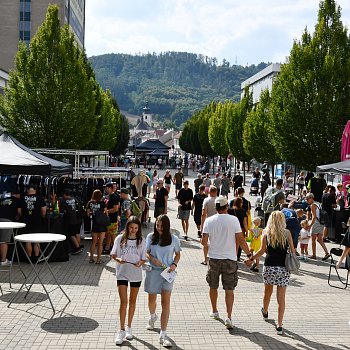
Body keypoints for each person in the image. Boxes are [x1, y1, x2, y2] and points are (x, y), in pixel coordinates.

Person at [201, 196, 252, 329]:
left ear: (216, 208)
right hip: (230, 258)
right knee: (229, 289)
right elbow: (241, 239)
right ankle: (228, 317)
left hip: (214, 258)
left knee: (213, 286)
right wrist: (249, 255)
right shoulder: (233, 220)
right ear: (226, 207)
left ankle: (214, 310)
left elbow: (203, 242)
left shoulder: (209, 221)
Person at [246, 211, 295, 335]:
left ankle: (265, 311)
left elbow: (261, 251)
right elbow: (293, 251)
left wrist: (251, 259)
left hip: (269, 267)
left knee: (267, 293)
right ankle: (279, 325)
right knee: (281, 298)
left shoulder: (266, 233)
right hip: (283, 268)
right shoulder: (287, 233)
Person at [145, 215, 181, 348]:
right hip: (153, 271)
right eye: (157, 225)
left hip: (167, 273)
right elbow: (146, 252)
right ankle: (152, 316)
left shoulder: (174, 239)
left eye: (162, 226)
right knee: (151, 300)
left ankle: (163, 333)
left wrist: (174, 265)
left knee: (165, 303)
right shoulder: (150, 237)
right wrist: (152, 259)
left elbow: (178, 254)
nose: (159, 228)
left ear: (167, 226)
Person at [111, 216, 147, 345]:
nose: (133, 230)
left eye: (136, 228)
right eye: (131, 227)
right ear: (127, 227)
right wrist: (117, 259)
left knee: (132, 301)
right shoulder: (120, 238)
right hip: (122, 272)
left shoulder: (142, 240)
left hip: (136, 274)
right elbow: (113, 254)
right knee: (123, 302)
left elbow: (143, 258)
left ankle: (129, 327)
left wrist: (140, 262)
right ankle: (121, 329)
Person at [20, 185, 46, 261]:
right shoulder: (40, 198)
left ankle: (29, 257)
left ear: (27, 190)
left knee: (28, 239)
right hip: (37, 220)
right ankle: (37, 257)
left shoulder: (22, 198)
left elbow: (19, 211)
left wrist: (23, 216)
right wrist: (41, 216)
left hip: (26, 220)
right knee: (36, 239)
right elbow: (44, 211)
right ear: (35, 190)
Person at [305, 193, 330, 260]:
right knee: (319, 239)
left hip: (316, 223)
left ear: (311, 198)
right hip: (321, 223)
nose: (307, 201)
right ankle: (327, 253)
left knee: (313, 239)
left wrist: (310, 225)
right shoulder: (318, 203)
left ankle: (314, 255)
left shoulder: (312, 205)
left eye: (307, 199)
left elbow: (314, 217)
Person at [86, 189, 109, 264]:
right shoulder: (102, 203)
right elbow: (106, 212)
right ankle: (98, 259)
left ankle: (91, 258)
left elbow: (88, 214)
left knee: (93, 242)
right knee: (100, 242)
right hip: (102, 224)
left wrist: (93, 213)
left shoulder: (90, 203)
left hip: (94, 223)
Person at [59, 189, 84, 255]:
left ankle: (77, 247)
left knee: (71, 234)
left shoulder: (64, 201)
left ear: (64, 194)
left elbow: (62, 211)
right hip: (79, 219)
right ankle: (78, 245)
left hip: (71, 220)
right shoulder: (76, 199)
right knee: (77, 233)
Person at [200, 186, 218, 265]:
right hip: (217, 223)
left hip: (208, 223)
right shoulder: (219, 200)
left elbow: (204, 214)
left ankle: (205, 259)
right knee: (215, 241)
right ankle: (214, 258)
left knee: (205, 242)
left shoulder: (206, 200)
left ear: (209, 192)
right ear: (216, 192)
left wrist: (202, 226)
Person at [103, 183, 120, 254]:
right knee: (108, 234)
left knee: (113, 235)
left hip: (112, 219)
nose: (106, 189)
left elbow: (115, 209)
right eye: (105, 188)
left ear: (110, 188)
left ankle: (116, 250)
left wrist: (106, 211)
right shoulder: (109, 196)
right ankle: (108, 248)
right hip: (109, 219)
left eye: (107, 188)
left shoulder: (114, 197)